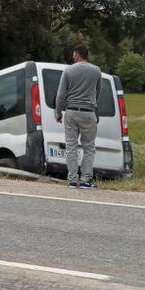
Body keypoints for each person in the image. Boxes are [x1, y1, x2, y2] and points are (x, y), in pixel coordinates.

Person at [54, 43, 102, 189]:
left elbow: (61, 94)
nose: (72, 57)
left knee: (71, 147)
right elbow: (97, 92)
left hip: (71, 112)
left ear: (77, 54)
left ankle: (73, 180)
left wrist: (58, 111)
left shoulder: (68, 70)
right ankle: (87, 180)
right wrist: (93, 108)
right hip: (88, 113)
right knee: (89, 148)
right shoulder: (96, 70)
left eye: (73, 54)